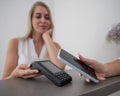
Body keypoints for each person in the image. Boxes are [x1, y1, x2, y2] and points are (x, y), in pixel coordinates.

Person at [2, 1, 65, 80]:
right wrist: (15, 74)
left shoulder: (55, 46)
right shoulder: (15, 42)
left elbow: (60, 68)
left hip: (50, 91)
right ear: (31, 20)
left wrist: (46, 37)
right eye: (38, 16)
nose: (43, 20)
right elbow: (4, 79)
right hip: (22, 91)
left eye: (47, 17)